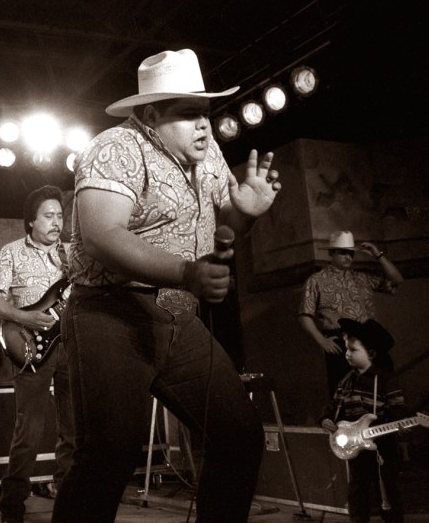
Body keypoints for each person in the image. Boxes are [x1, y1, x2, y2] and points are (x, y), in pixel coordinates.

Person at [51, 49, 282, 523]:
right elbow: (99, 235)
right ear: (152, 115)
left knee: (239, 437)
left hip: (179, 318)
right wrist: (186, 272)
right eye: (188, 113)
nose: (204, 124)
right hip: (110, 313)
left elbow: (224, 234)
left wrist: (245, 214)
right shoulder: (116, 146)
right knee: (109, 455)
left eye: (206, 112)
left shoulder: (210, 153)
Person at [0, 185, 75, 523]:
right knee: (29, 431)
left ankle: (68, 504)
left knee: (74, 430)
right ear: (31, 222)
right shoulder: (11, 252)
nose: (56, 222)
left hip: (72, 346)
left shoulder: (73, 254)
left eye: (60, 216)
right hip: (31, 346)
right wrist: (24, 317)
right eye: (48, 216)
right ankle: (12, 508)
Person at [321, 318, 407, 523]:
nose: (347, 353)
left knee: (386, 488)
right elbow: (334, 406)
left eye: (353, 349)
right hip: (356, 448)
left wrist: (401, 422)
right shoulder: (346, 381)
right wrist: (326, 418)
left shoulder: (386, 380)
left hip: (382, 447)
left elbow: (398, 408)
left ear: (371, 354)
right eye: (346, 348)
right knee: (357, 490)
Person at [299, 230, 403, 397]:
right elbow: (305, 315)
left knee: (380, 388)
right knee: (345, 390)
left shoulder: (363, 277)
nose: (348, 257)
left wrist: (378, 255)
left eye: (351, 253)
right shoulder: (316, 280)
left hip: (369, 338)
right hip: (341, 342)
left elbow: (397, 280)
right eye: (343, 252)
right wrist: (322, 340)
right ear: (331, 254)